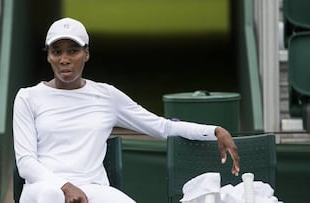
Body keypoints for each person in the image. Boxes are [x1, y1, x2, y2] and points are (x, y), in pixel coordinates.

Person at [13, 17, 240, 203]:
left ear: (87, 54)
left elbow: (161, 126)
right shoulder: (27, 97)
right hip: (43, 190)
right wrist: (64, 186)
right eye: (57, 51)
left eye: (73, 51)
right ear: (49, 56)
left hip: (92, 189)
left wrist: (214, 131)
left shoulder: (107, 96)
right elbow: (25, 162)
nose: (64, 59)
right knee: (50, 196)